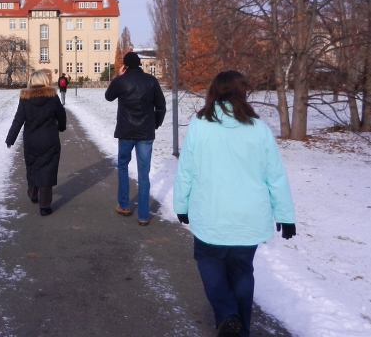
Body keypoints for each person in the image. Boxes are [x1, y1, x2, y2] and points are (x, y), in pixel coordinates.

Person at [173, 70, 296, 337]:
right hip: (248, 217)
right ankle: (241, 331)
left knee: (209, 262)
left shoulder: (200, 125)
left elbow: (186, 170)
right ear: (243, 93)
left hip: (211, 214)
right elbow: (275, 175)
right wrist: (285, 216)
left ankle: (228, 314)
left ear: (214, 92)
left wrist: (181, 205)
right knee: (242, 272)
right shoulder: (259, 129)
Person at [104, 51, 166, 225]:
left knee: (123, 166)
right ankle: (143, 215)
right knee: (143, 172)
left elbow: (108, 97)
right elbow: (161, 106)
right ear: (139, 64)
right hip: (146, 132)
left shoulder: (121, 81)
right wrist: (155, 124)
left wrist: (117, 77)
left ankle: (124, 205)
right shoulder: (151, 81)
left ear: (125, 65)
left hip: (126, 131)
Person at [6, 70, 67, 216]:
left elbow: (18, 119)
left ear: (31, 82)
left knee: (33, 166)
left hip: (31, 140)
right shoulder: (52, 97)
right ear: (45, 81)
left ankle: (33, 194)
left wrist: (10, 138)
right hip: (50, 138)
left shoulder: (25, 98)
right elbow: (61, 114)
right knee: (48, 169)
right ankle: (45, 206)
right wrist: (61, 127)